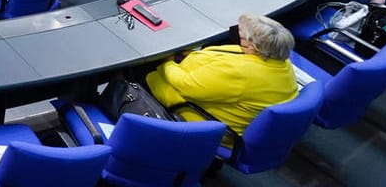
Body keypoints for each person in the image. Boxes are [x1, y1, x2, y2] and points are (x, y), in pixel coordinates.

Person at [126, 13, 299, 139]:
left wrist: (167, 61)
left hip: (205, 123)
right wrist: (191, 57)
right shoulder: (280, 61)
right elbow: (227, 58)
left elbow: (186, 85)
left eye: (242, 37)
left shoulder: (241, 73)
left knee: (136, 68)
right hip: (231, 111)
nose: (239, 39)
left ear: (254, 46)